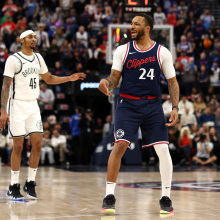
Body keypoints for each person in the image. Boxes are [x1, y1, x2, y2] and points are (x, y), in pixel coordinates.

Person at [98, 14, 179, 214]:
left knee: (163, 150)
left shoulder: (162, 52)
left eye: (137, 24)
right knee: (120, 145)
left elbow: (172, 82)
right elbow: (114, 78)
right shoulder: (123, 50)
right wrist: (106, 83)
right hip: (127, 104)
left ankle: (166, 197)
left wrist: (175, 107)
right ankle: (109, 195)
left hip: (153, 105)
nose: (132, 27)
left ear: (148, 27)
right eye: (131, 23)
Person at [0, 30, 86, 200]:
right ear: (22, 39)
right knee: (18, 145)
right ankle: (13, 185)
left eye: (35, 37)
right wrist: (3, 110)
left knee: (38, 143)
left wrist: (69, 78)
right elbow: (5, 86)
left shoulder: (39, 58)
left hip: (33, 104)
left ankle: (30, 183)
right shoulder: (13, 59)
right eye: (30, 37)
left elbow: (49, 78)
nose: (34, 39)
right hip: (16, 104)